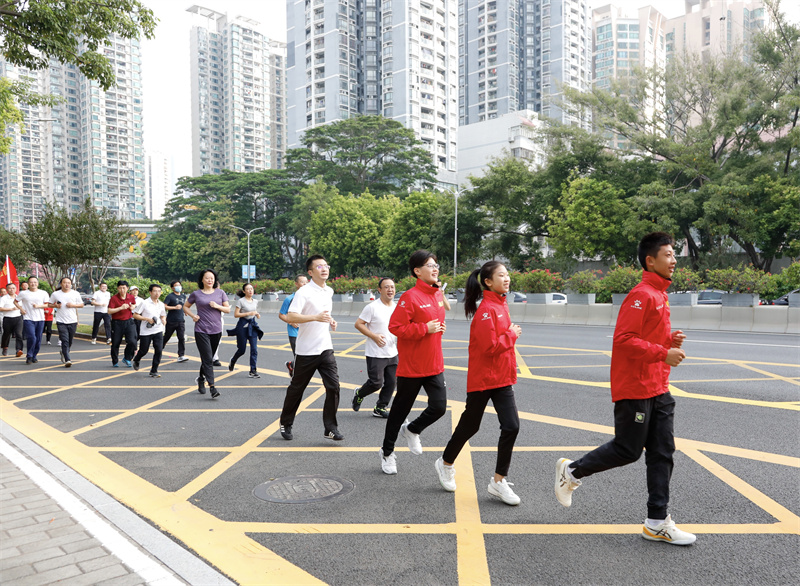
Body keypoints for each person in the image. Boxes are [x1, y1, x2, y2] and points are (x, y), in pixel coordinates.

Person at [555, 232, 696, 546]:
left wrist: (668, 342)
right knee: (628, 450)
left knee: (662, 453)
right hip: (635, 387)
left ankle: (657, 521)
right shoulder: (642, 294)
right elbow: (624, 340)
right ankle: (572, 471)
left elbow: (646, 338)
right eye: (669, 255)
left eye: (675, 255)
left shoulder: (660, 294)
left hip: (658, 386)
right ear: (651, 260)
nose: (674, 260)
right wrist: (663, 353)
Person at [434, 262, 522, 505]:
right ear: (488, 282)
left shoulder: (501, 305)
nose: (507, 278)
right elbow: (490, 347)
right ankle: (445, 463)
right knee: (470, 426)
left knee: (512, 426)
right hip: (483, 379)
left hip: (502, 378)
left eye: (507, 274)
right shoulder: (486, 311)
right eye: (501, 275)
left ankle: (498, 481)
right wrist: (512, 334)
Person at [380, 250, 447, 475]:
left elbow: (434, 323)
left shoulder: (437, 294)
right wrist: (424, 329)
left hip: (434, 363)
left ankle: (412, 429)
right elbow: (395, 327)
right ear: (417, 271)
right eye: (429, 265)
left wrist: (438, 329)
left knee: (439, 407)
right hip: (412, 367)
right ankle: (387, 453)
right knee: (399, 412)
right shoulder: (410, 296)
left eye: (436, 264)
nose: (435, 268)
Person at [278, 255, 343, 441]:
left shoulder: (328, 291)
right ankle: (286, 422)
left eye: (326, 265)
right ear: (310, 272)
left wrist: (330, 320)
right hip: (306, 350)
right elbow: (291, 316)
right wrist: (314, 317)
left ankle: (330, 428)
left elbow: (323, 314)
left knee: (334, 387)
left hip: (325, 348)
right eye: (319, 266)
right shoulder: (303, 292)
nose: (324, 269)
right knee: (297, 388)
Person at [352, 277, 397, 419]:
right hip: (376, 352)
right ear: (380, 290)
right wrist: (374, 336)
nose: (390, 290)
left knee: (391, 382)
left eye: (392, 287)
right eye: (386, 287)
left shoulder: (397, 307)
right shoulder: (372, 307)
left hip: (393, 351)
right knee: (376, 383)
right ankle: (359, 393)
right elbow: (358, 324)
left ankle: (380, 407)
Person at [183, 269, 230, 398]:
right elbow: (185, 306)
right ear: (202, 280)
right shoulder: (196, 294)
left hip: (216, 330)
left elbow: (227, 309)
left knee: (207, 359)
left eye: (212, 278)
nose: (210, 280)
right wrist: (193, 315)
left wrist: (217, 306)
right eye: (207, 278)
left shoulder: (220, 293)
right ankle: (213, 387)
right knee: (208, 359)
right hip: (201, 330)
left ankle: (201, 379)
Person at [227, 283, 264, 378]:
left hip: (252, 325)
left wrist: (256, 314)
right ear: (244, 291)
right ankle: (233, 360)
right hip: (242, 326)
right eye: (248, 289)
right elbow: (236, 314)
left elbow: (254, 312)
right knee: (242, 350)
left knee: (254, 349)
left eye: (251, 288)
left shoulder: (255, 301)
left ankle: (253, 370)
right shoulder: (241, 301)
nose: (250, 290)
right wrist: (249, 313)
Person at [132, 284, 167, 377]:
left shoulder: (161, 304)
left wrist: (163, 319)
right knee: (144, 350)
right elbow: (135, 315)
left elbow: (163, 315)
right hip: (146, 331)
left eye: (159, 291)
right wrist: (146, 319)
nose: (157, 293)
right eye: (155, 291)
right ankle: (136, 359)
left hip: (158, 330)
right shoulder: (144, 303)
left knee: (159, 350)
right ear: (150, 292)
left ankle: (154, 370)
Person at [48, 277, 84, 367]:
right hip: (61, 321)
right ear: (61, 284)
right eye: (64, 282)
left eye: (68, 283)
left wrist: (73, 305)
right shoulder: (56, 294)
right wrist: (55, 305)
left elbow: (81, 304)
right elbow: (49, 304)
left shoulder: (75, 293)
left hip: (72, 320)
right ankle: (68, 359)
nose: (67, 284)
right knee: (65, 340)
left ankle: (64, 352)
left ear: (71, 284)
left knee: (70, 341)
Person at [278, 274, 308, 374]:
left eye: (306, 282)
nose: (305, 284)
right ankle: (297, 380)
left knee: (307, 357)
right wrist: (290, 321)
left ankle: (291, 365)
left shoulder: (309, 298)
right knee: (299, 357)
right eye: (302, 282)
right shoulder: (289, 299)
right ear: (296, 284)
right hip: (294, 333)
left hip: (307, 332)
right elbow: (281, 315)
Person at [16, 276, 50, 364]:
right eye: (31, 282)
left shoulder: (43, 293)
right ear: (28, 283)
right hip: (28, 318)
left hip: (40, 319)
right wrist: (21, 309)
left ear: (37, 283)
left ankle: (34, 355)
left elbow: (47, 305)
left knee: (38, 339)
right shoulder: (23, 293)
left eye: (35, 282)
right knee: (31, 337)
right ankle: (29, 355)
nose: (33, 284)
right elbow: (15, 301)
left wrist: (38, 306)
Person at [108, 280, 138, 367]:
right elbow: (109, 311)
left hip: (129, 321)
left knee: (132, 341)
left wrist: (133, 306)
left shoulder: (131, 297)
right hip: (117, 323)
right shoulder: (114, 298)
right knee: (116, 343)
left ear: (127, 288)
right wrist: (120, 308)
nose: (122, 290)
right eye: (120, 288)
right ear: (117, 288)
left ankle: (127, 358)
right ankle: (115, 361)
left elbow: (134, 304)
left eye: (124, 288)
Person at [163, 280, 189, 362]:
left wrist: (185, 311)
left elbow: (185, 305)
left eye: (179, 285)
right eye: (176, 285)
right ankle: (159, 350)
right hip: (171, 320)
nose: (178, 287)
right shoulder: (170, 296)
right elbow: (164, 306)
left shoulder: (183, 296)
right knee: (166, 337)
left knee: (181, 338)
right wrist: (174, 307)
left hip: (181, 320)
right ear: (172, 288)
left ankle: (181, 355)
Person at [1, 282, 24, 357]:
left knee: (19, 334)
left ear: (16, 289)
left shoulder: (19, 297)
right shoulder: (4, 298)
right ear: (7, 289)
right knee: (7, 334)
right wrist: (11, 309)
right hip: (7, 318)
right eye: (10, 288)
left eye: (13, 288)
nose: (12, 290)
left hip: (18, 318)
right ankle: (5, 348)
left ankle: (19, 350)